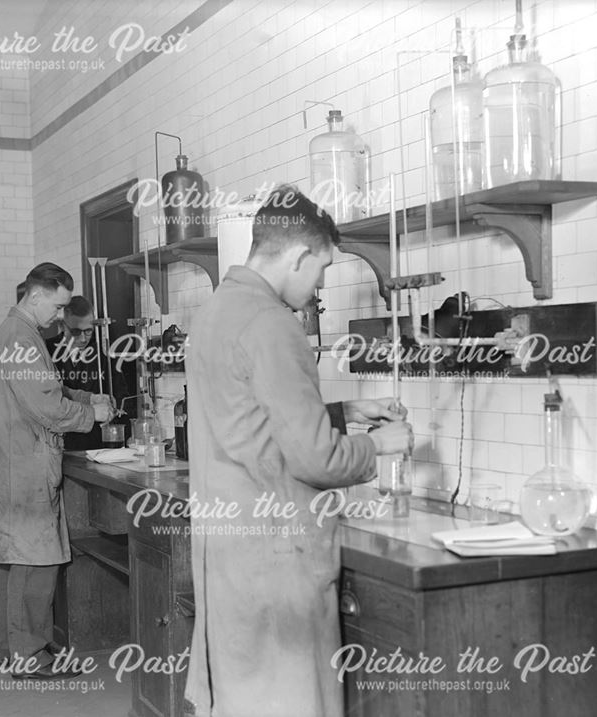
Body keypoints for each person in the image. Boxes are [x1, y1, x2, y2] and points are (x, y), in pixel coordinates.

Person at [183, 186, 413, 716]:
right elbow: (316, 461)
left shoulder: (218, 310)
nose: (318, 286)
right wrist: (378, 445)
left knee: (247, 700)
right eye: (322, 271)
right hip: (278, 555)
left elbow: (253, 419)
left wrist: (343, 413)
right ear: (299, 255)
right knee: (291, 700)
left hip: (231, 549)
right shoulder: (272, 323)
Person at [0, 262, 113, 679]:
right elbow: (48, 408)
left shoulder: (19, 332)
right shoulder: (22, 336)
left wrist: (85, 395)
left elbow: (44, 387)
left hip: (14, 460)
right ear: (36, 295)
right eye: (57, 307)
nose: (61, 316)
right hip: (25, 464)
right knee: (34, 560)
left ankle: (9, 646)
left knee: (11, 560)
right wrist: (91, 413)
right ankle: (28, 655)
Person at [45, 296, 128, 450]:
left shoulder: (104, 354)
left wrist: (114, 404)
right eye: (76, 331)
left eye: (88, 331)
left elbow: (121, 394)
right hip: (57, 442)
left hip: (94, 444)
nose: (83, 338)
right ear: (63, 325)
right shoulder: (45, 350)